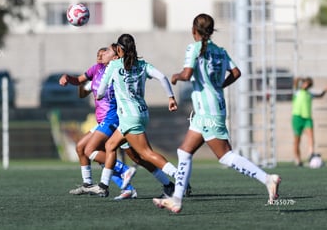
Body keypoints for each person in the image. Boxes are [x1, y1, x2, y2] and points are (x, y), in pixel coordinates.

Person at [152, 13, 281, 213]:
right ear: (211, 31)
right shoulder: (220, 51)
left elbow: (186, 74)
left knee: (225, 156)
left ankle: (267, 179)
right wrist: (220, 85)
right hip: (211, 108)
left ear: (194, 31)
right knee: (184, 152)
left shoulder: (193, 48)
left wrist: (176, 77)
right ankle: (176, 199)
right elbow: (236, 73)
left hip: (207, 111)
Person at [60, 44, 175, 200]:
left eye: (105, 52)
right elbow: (82, 88)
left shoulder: (116, 71)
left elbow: (118, 88)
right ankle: (110, 186)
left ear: (115, 57)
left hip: (114, 118)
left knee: (93, 150)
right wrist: (70, 79)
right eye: (99, 52)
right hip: (105, 120)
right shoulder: (96, 69)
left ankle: (123, 173)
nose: (100, 54)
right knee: (134, 157)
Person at [88, 33, 179, 198]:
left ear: (120, 50)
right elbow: (162, 77)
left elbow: (101, 91)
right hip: (140, 114)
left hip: (130, 117)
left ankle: (180, 178)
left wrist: (100, 95)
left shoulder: (115, 65)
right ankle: (103, 185)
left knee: (146, 154)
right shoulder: (142, 64)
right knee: (110, 146)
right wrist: (171, 97)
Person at [291, 77, 326, 166]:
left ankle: (311, 154)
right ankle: (298, 159)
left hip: (307, 118)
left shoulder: (309, 94)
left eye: (307, 84)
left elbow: (320, 95)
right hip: (297, 118)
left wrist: (325, 90)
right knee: (297, 140)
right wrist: (299, 79)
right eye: (305, 83)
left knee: (311, 136)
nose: (305, 85)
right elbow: (295, 82)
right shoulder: (297, 92)